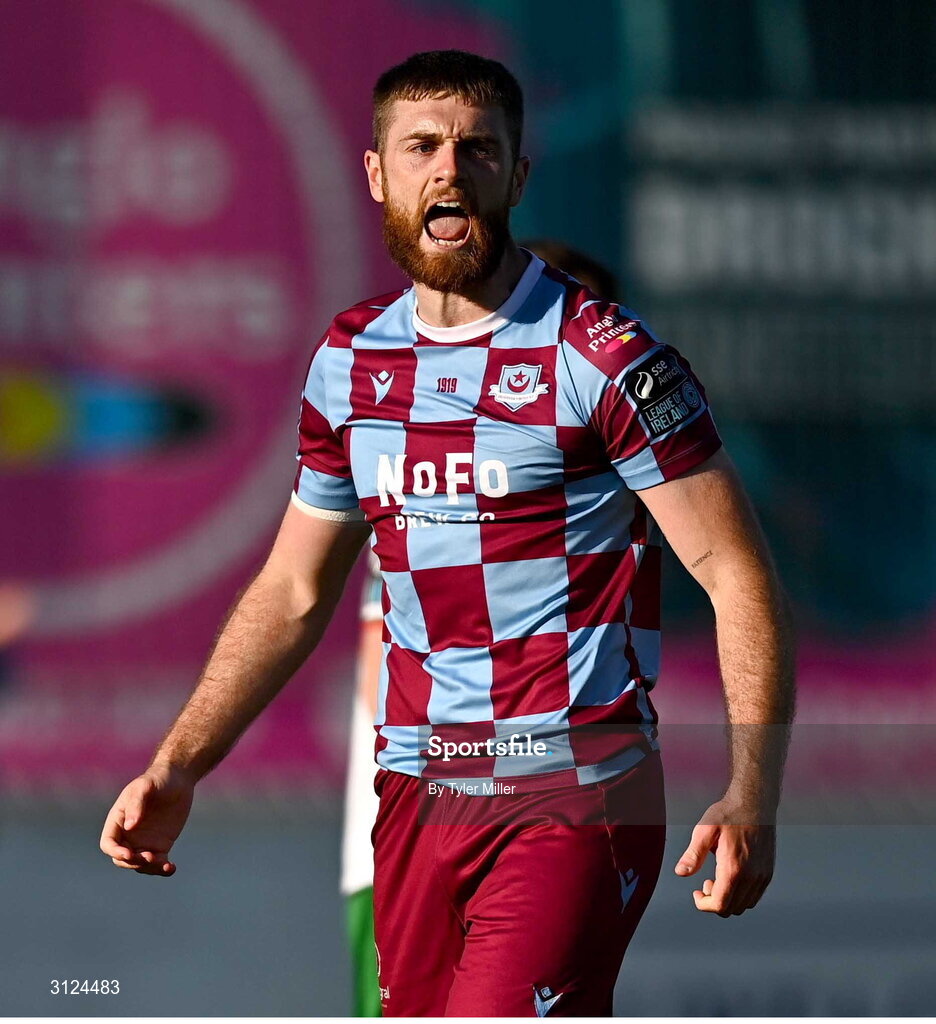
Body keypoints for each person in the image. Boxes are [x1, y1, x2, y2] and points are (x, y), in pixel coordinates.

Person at [100, 50, 796, 1017]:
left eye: (478, 149)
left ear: (517, 175)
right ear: (377, 174)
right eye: (421, 146)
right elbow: (293, 591)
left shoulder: (604, 356)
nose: (449, 169)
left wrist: (752, 790)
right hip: (417, 797)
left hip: (574, 792)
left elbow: (737, 576)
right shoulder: (350, 359)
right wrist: (179, 763)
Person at [340, 240, 623, 1018]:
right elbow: (365, 661)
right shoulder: (431, 478)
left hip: (561, 812)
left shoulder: (620, 485)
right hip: (424, 830)